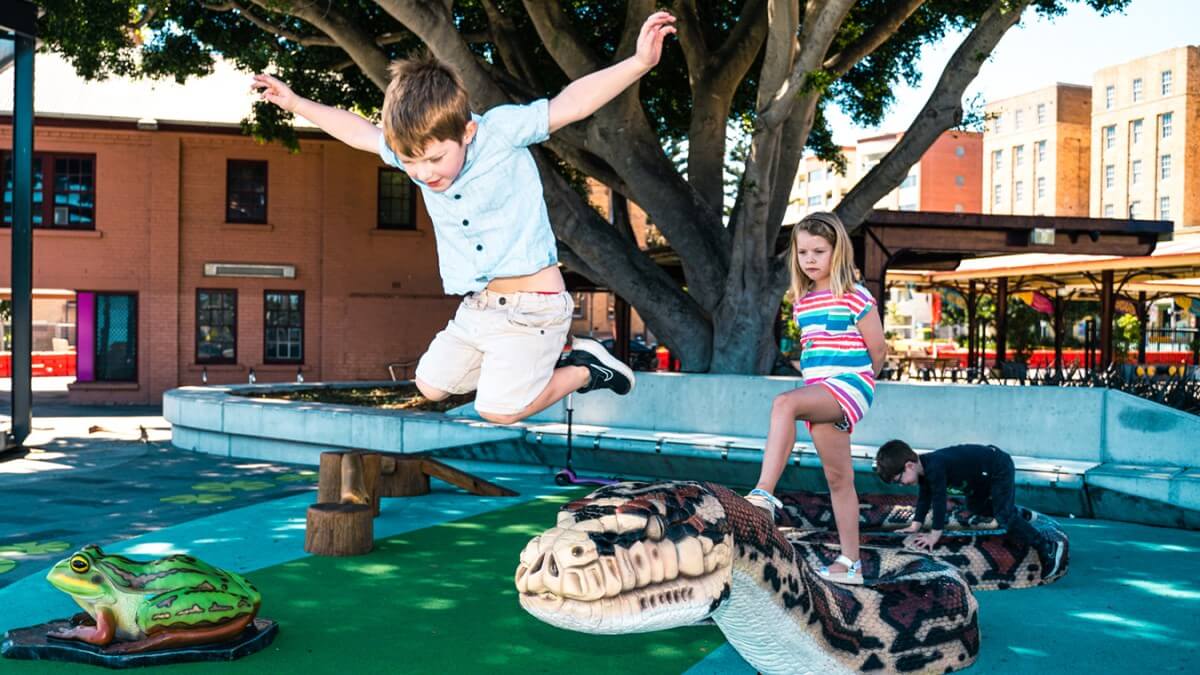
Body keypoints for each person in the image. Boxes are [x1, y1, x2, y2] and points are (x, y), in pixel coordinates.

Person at [252, 12, 678, 424]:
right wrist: (294, 103)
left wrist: (639, 62)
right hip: (479, 307)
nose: (423, 174)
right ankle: (530, 361)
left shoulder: (499, 133)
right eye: (409, 163)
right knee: (432, 383)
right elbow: (357, 131)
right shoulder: (415, 153)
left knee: (499, 410)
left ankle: (588, 369)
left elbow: (570, 103)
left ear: (466, 133)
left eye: (435, 159)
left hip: (536, 308)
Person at [744, 212, 886, 585]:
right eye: (803, 251)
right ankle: (851, 563)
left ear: (837, 252)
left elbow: (879, 350)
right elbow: (813, 351)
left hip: (849, 386)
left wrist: (854, 391)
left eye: (819, 251)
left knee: (783, 404)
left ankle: (763, 494)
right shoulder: (803, 301)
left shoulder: (855, 295)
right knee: (838, 479)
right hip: (821, 391)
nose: (809, 259)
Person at [874, 440, 1065, 577]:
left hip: (997, 467)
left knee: (1003, 517)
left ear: (909, 465)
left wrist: (935, 534)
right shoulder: (923, 471)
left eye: (899, 480)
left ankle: (1047, 547)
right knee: (975, 507)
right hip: (978, 479)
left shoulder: (935, 466)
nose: (900, 485)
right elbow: (925, 498)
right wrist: (915, 525)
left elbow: (939, 499)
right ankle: (1015, 514)